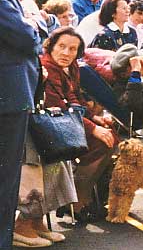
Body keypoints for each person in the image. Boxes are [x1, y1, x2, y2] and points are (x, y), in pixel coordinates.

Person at [0, 0, 42, 250]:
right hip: (5, 97)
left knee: (8, 176)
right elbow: (24, 36)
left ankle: (2, 246)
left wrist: (31, 28)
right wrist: (32, 27)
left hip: (12, 96)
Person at [41, 28, 116, 222]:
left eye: (72, 49)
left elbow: (76, 100)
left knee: (109, 134)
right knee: (101, 142)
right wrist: (92, 128)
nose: (66, 53)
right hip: (51, 125)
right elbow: (59, 108)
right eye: (62, 47)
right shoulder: (47, 68)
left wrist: (95, 119)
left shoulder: (72, 67)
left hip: (68, 120)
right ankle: (75, 200)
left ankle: (82, 197)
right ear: (51, 46)